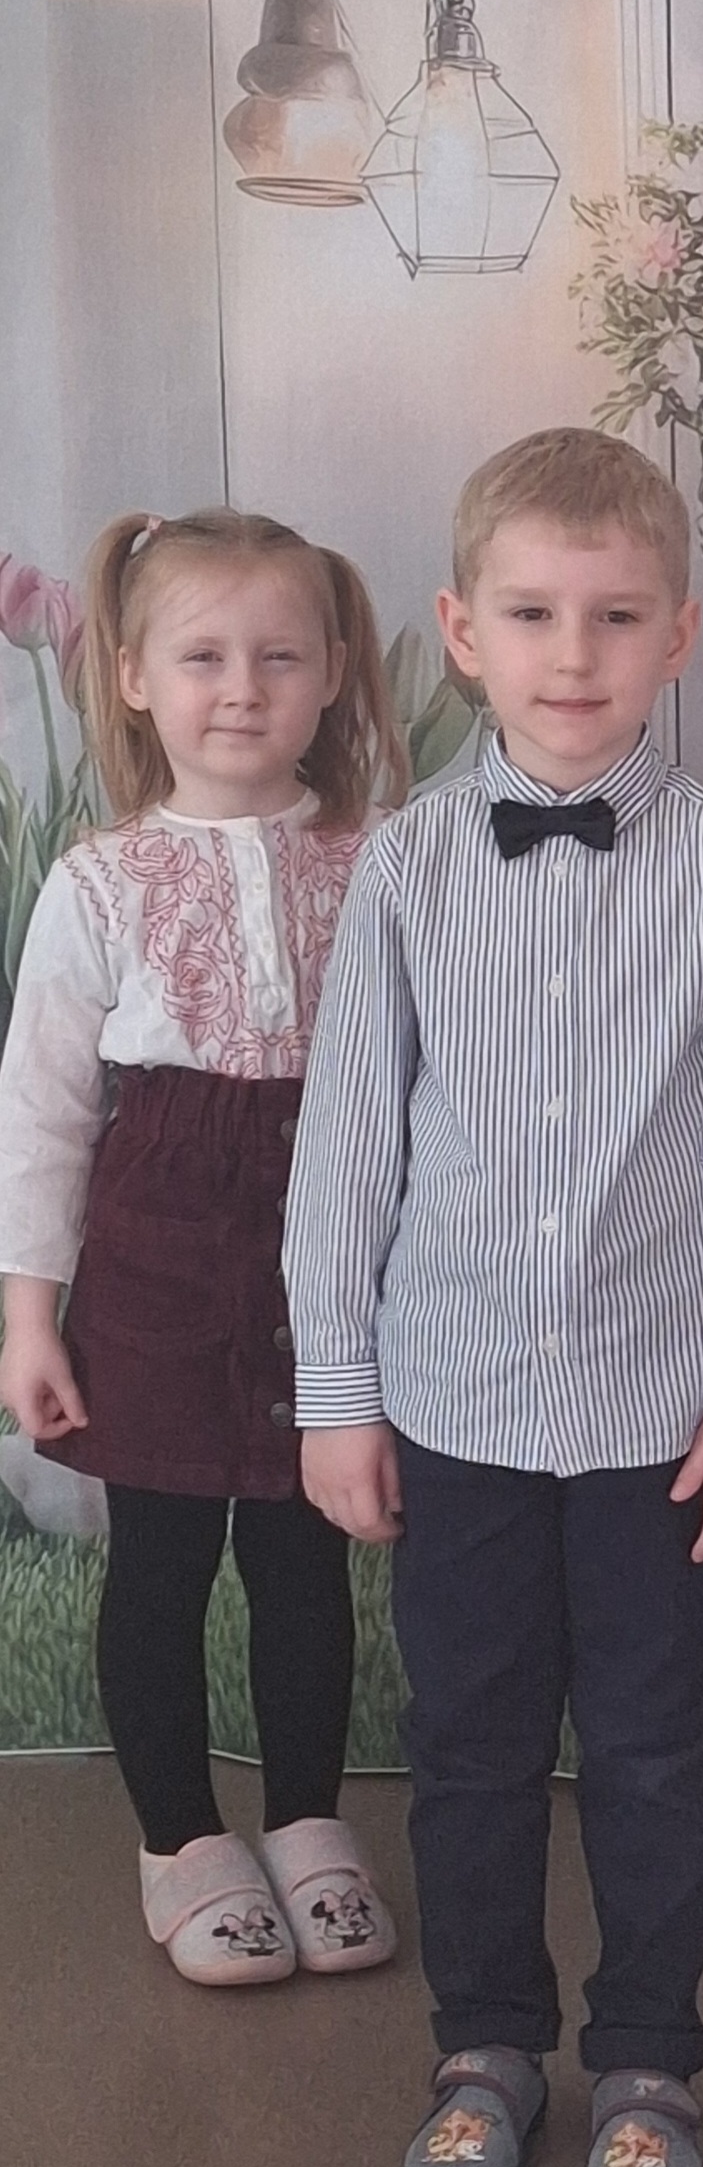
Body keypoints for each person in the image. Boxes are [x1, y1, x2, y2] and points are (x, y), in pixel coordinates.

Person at [286, 429, 703, 2167]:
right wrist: (337, 1393)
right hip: (451, 1402)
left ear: (678, 634)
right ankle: (483, 2048)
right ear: (463, 630)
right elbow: (348, 1147)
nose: (574, 653)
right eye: (532, 614)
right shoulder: (406, 868)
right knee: (465, 1741)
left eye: (616, 616)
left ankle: (646, 2059)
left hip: (658, 1418)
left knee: (654, 1745)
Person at [0, 509, 403, 1985]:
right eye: (203, 657)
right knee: (159, 1567)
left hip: (330, 1248)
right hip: (157, 1253)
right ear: (131, 676)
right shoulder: (99, 882)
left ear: (335, 672)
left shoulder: (383, 861)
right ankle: (179, 1840)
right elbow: (43, 1110)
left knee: (305, 1559)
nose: (242, 689)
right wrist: (28, 1318)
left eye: (279, 657)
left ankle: (306, 1820)